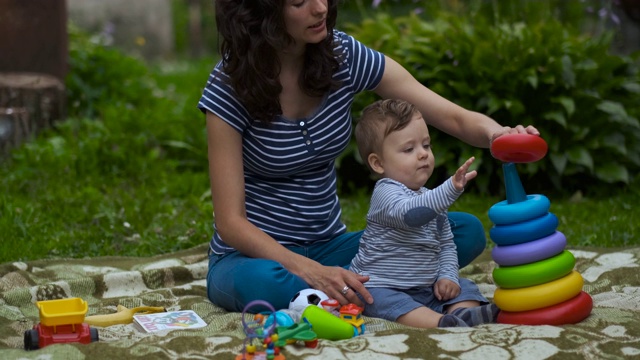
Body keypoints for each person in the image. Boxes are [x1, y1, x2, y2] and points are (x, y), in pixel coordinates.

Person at [198, 0, 539, 313]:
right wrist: (312, 272)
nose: (321, 8)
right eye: (299, 2)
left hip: (333, 248)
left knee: (464, 230)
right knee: (262, 283)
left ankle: (343, 289)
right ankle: (363, 287)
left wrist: (499, 134)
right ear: (262, 13)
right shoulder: (229, 86)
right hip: (252, 259)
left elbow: (449, 115)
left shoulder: (340, 55)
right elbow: (231, 224)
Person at [349, 99, 497, 328]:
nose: (423, 154)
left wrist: (447, 276)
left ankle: (462, 313)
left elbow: (446, 244)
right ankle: (440, 322)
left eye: (426, 145)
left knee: (464, 285)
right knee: (379, 300)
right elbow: (411, 215)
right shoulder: (385, 192)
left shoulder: (431, 198)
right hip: (381, 285)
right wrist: (450, 189)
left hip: (425, 288)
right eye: (409, 149)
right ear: (378, 163)